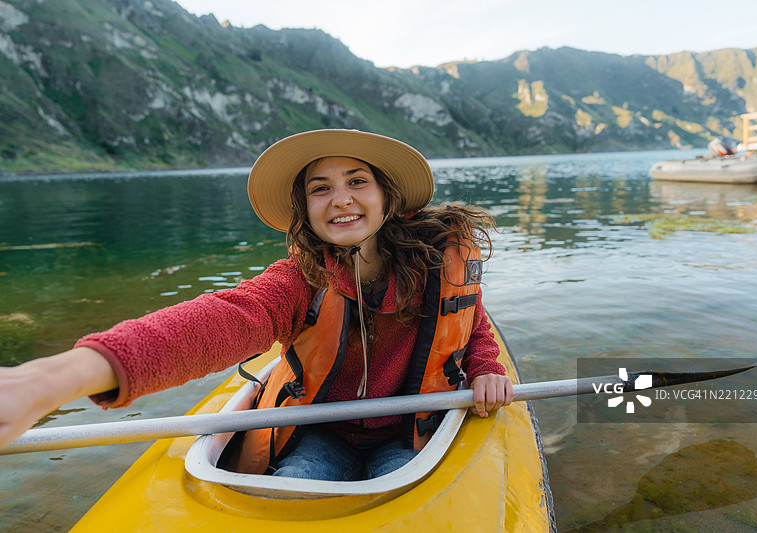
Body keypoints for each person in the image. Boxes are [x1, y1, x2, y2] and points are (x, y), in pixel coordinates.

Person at [0, 129, 513, 480]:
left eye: (357, 181)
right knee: (294, 486)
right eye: (320, 189)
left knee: (406, 497)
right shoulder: (298, 280)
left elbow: (472, 323)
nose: (341, 199)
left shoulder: (435, 262)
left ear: (387, 194)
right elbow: (223, 320)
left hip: (412, 427)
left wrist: (487, 367)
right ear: (304, 209)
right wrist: (51, 379)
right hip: (320, 431)